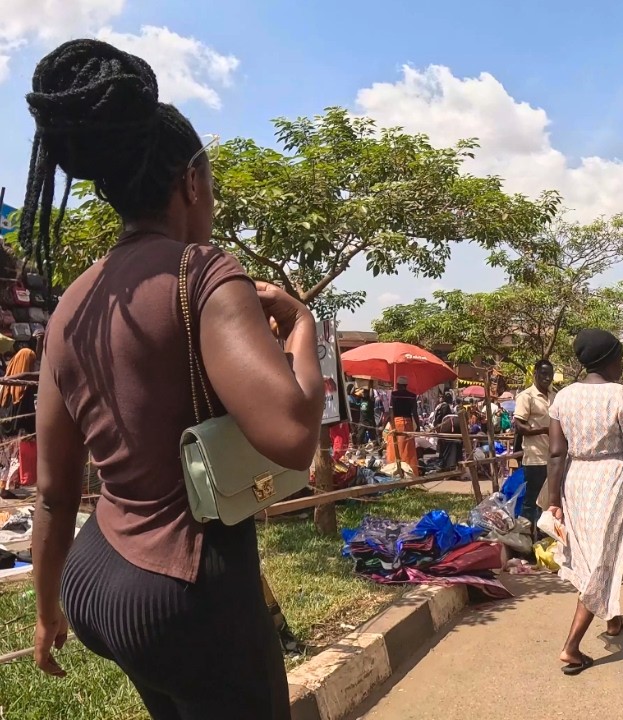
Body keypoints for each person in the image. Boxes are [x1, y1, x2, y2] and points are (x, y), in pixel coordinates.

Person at [27, 38, 324, 717]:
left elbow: (52, 493)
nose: (211, 206)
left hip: (96, 579)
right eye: (211, 190)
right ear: (190, 183)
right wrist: (302, 327)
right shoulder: (204, 273)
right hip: (187, 588)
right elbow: (290, 436)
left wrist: (47, 613)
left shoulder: (73, 303)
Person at [545, 329, 623, 675]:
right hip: (610, 478)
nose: (622, 363)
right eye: (620, 357)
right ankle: (571, 647)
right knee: (601, 557)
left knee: (600, 551)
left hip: (577, 479)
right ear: (609, 359)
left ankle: (613, 618)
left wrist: (554, 498)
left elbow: (557, 453)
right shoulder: (621, 395)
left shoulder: (563, 398)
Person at [513, 360, 557, 528]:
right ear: (535, 374)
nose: (547, 378)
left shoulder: (554, 396)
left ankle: (543, 537)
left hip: (554, 457)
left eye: (550, 375)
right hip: (535, 457)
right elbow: (519, 426)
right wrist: (544, 430)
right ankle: (525, 536)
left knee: (550, 501)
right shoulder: (527, 396)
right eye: (543, 374)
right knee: (532, 500)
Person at [0, 348, 37, 499]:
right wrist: (31, 432)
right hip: (19, 431)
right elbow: (29, 412)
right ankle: (6, 489)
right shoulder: (26, 387)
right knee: (15, 462)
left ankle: (3, 487)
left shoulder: (4, 385)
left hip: (4, 430)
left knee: (6, 462)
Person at [386, 377, 419, 472]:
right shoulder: (412, 396)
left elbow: (390, 411)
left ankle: (394, 468)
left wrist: (387, 424)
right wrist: (418, 426)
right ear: (406, 385)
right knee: (408, 448)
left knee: (394, 446)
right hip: (408, 422)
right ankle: (410, 469)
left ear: (398, 385)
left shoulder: (394, 395)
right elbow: (415, 412)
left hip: (396, 422)